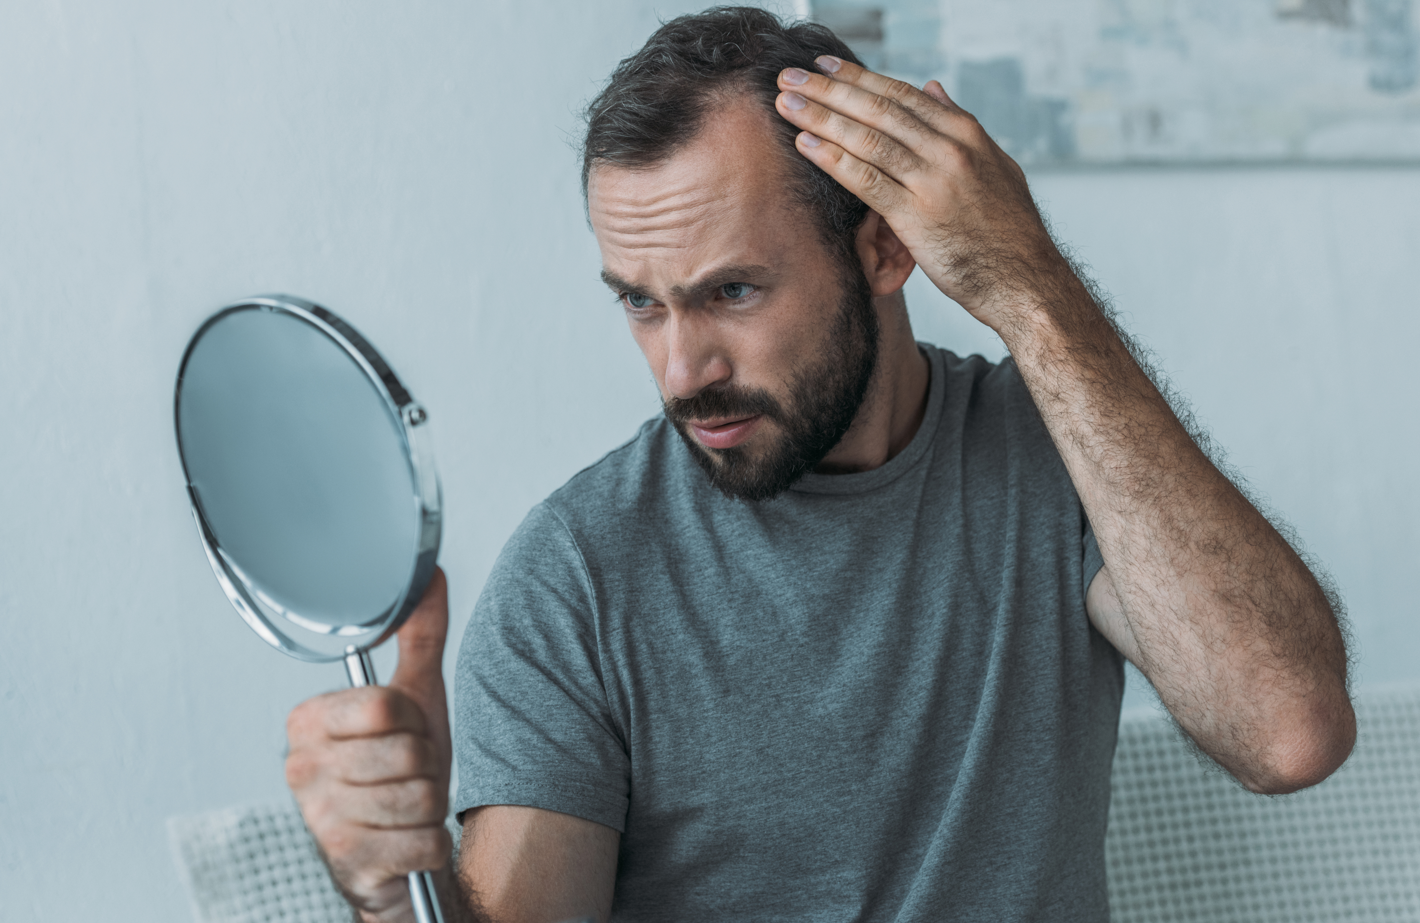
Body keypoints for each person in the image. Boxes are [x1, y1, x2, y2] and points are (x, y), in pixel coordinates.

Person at [283, 8, 1355, 923]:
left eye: (732, 291)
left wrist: (1030, 287)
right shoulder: (577, 573)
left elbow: (1287, 731)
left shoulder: (1055, 455)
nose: (680, 366)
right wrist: (394, 885)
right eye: (639, 301)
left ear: (885, 249)